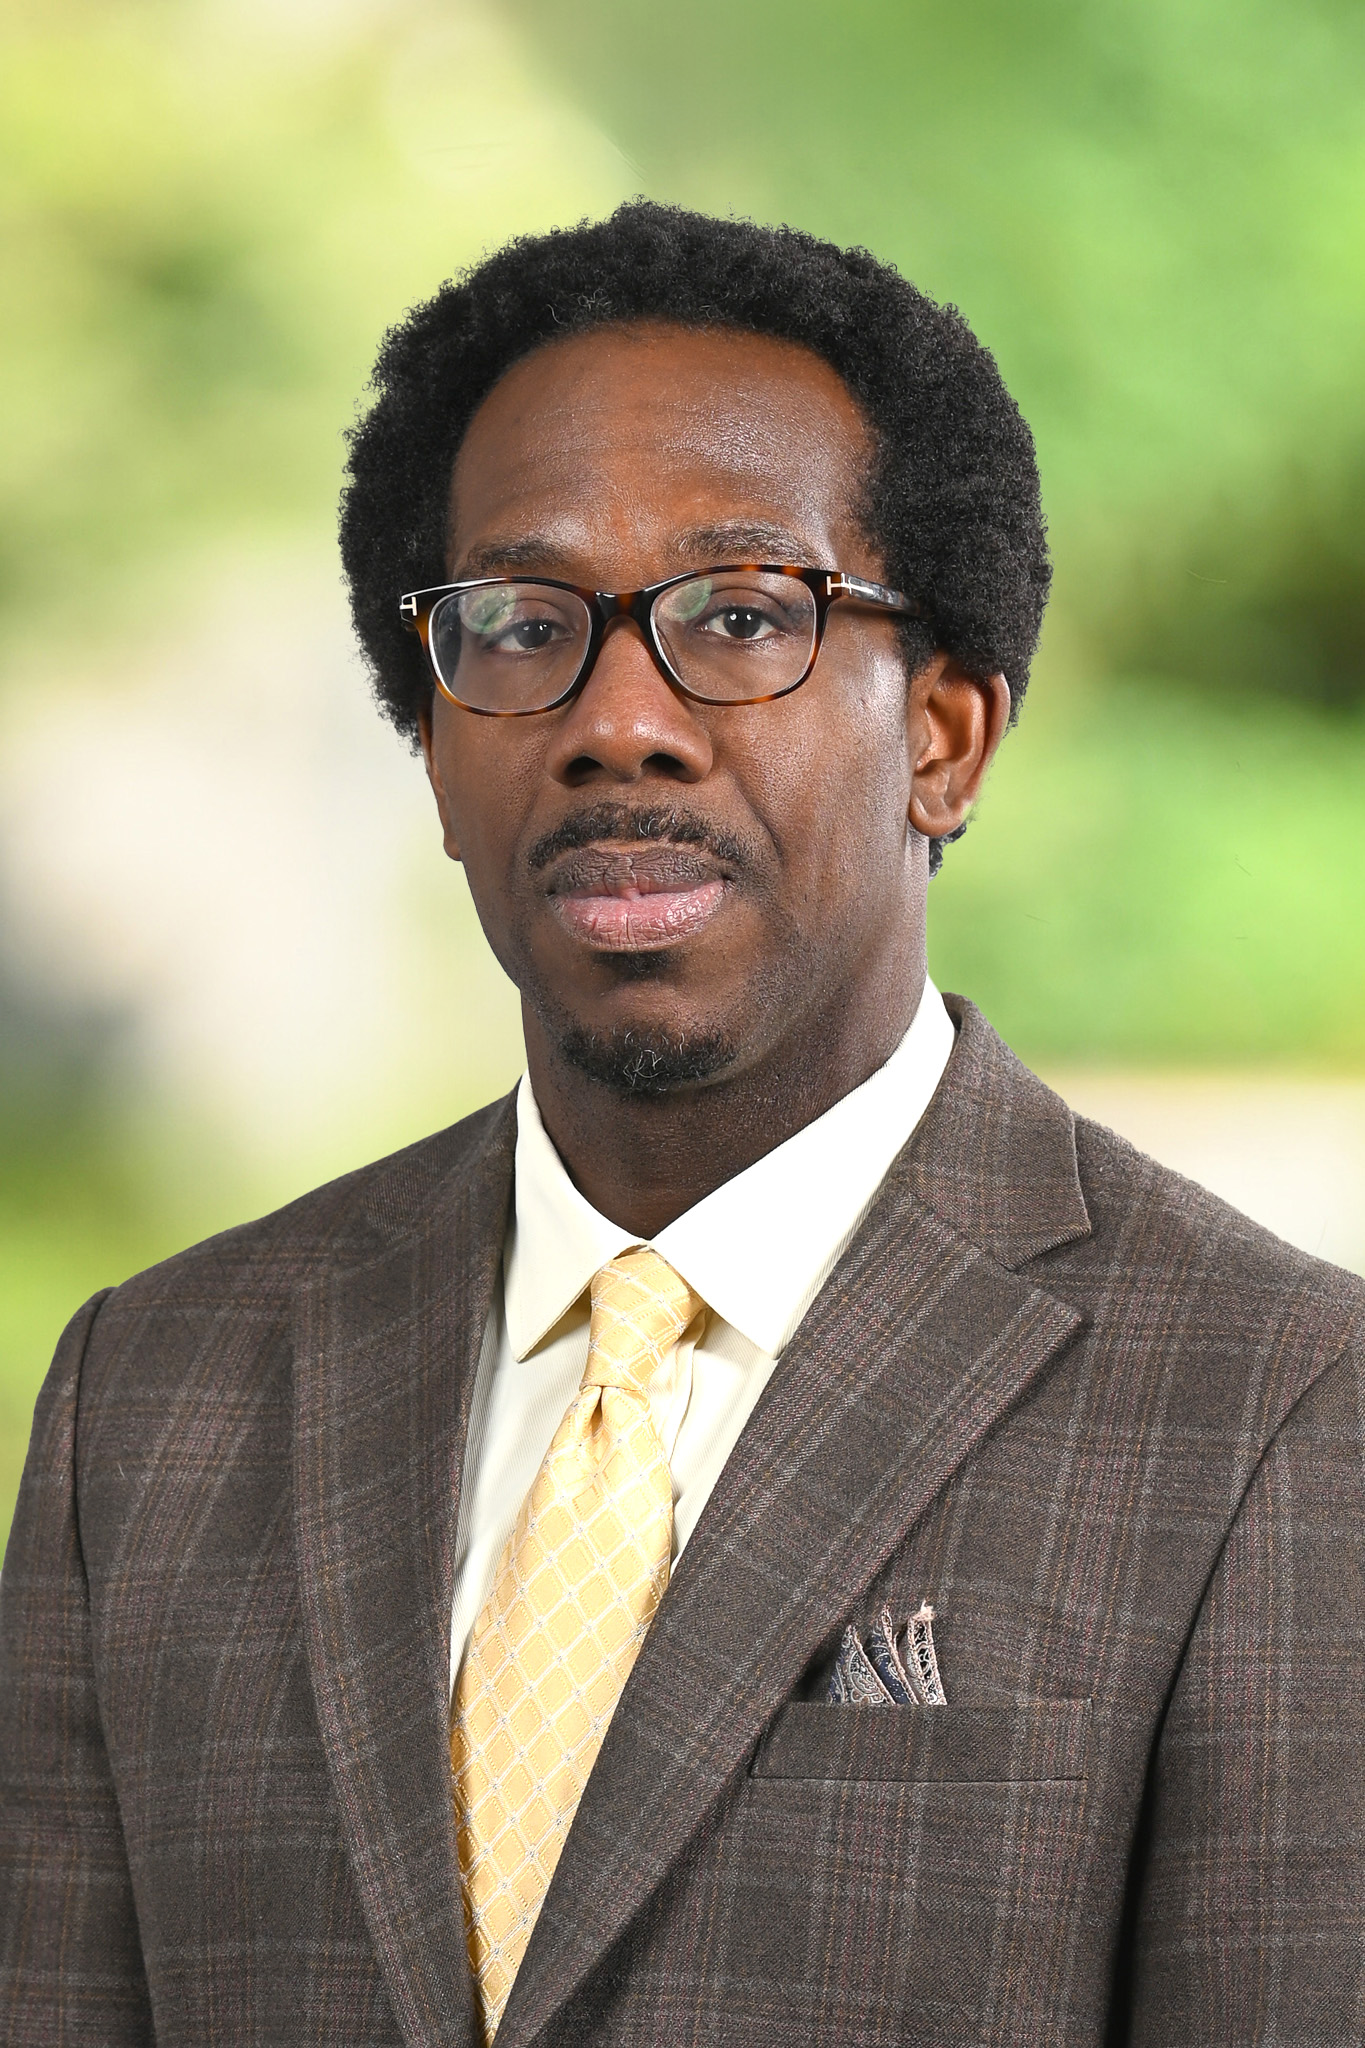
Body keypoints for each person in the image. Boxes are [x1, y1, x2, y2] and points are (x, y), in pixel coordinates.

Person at [2, 201, 1362, 2048]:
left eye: (741, 616)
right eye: (520, 626)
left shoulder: (1276, 1407)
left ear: (945, 736)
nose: (618, 723)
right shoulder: (153, 1396)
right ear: (433, 750)